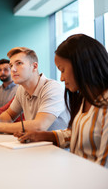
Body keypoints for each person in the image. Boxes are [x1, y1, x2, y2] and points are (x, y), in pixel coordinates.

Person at [15, 34, 108, 167]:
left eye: (63, 70)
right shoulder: (86, 99)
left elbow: (104, 168)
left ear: (81, 66)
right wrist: (43, 136)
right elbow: (81, 134)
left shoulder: (105, 106)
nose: (62, 78)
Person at [0, 47, 69, 134]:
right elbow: (9, 115)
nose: (13, 69)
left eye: (19, 63)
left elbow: (39, 127)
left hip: (56, 150)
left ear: (34, 66)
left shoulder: (52, 88)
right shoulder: (22, 89)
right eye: (11, 65)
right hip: (35, 146)